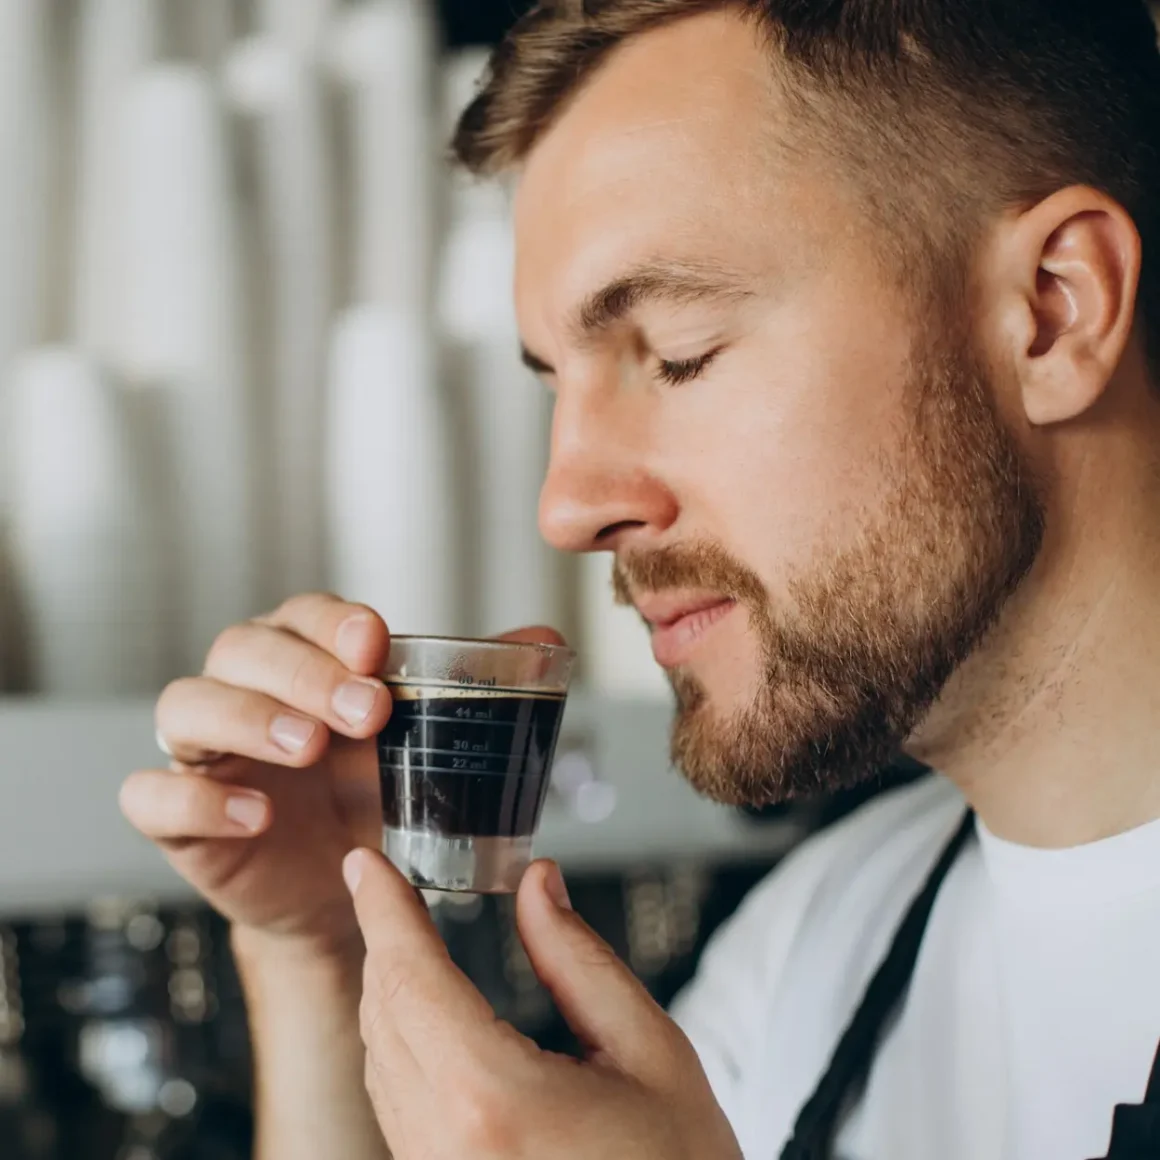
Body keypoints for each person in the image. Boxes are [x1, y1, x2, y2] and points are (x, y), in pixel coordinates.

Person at [120, 1, 1160, 1157]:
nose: (565, 508)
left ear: (1052, 311)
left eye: (677, 353)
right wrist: (324, 955)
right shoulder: (822, 937)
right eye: (553, 388)